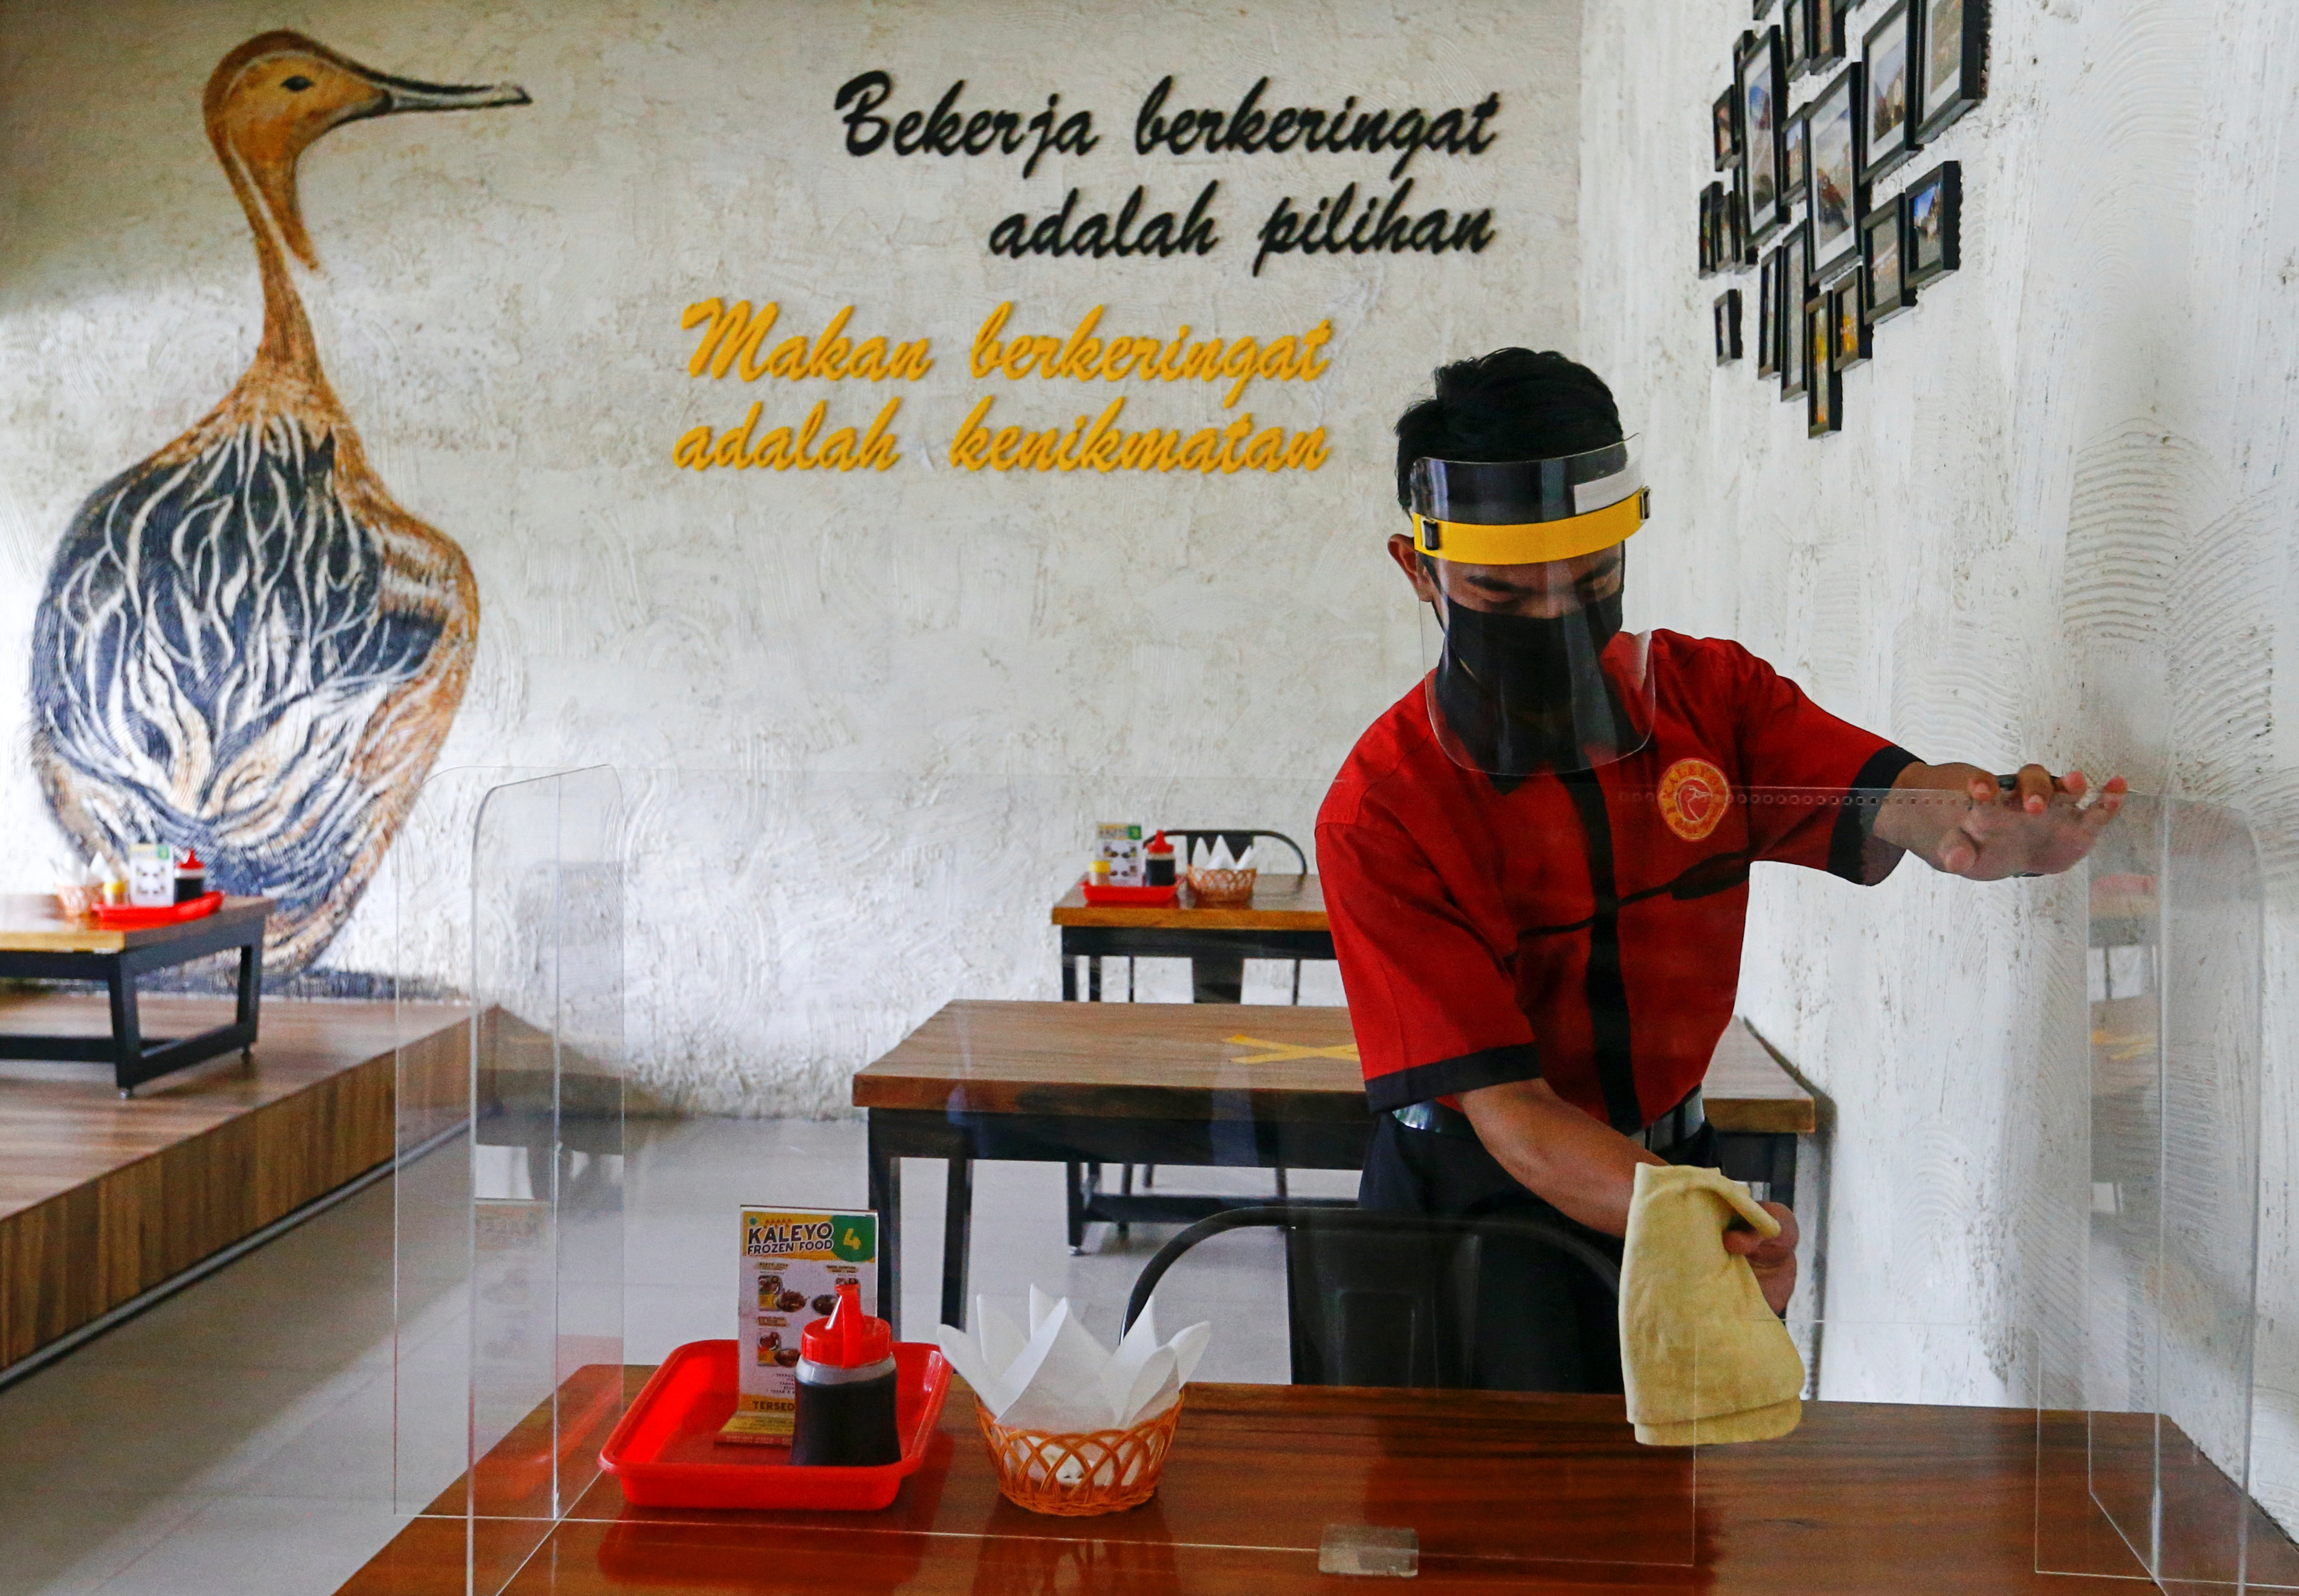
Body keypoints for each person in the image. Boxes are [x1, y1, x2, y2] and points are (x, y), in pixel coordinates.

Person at [1317, 348, 2123, 1391]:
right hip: (1475, 1212)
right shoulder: (1386, 808)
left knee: (1684, 1521)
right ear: (1418, 570)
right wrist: (1707, 1220)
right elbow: (1511, 1116)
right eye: (1502, 597)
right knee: (1485, 1531)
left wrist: (1979, 822)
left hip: (1668, 1165)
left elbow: (1898, 795)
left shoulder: (1710, 701)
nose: (1558, 624)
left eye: (1593, 581)